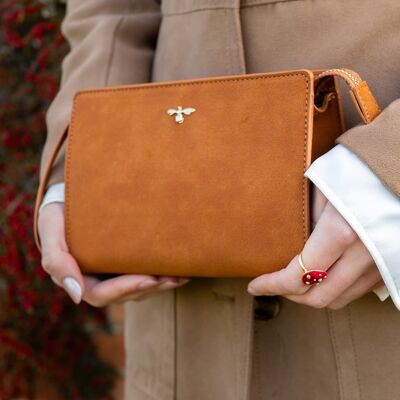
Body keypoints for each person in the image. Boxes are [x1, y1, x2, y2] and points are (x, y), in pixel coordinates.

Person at [37, 1, 400, 399]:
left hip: (374, 277)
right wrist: (78, 164)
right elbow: (109, 11)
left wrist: (387, 170)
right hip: (181, 321)